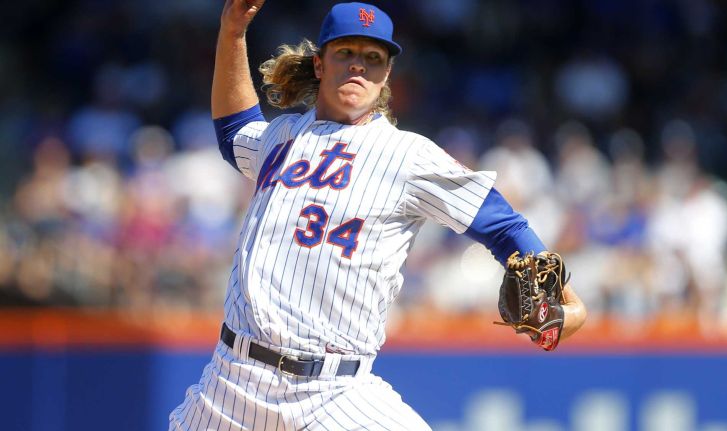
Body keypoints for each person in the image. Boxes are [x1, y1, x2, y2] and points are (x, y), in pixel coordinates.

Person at [169, 1, 587, 430]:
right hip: (232, 384)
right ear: (319, 64)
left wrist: (567, 299)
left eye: (373, 59)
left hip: (334, 394)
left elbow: (503, 225)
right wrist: (233, 32)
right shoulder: (281, 136)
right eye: (345, 53)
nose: (358, 68)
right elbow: (234, 132)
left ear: (386, 74)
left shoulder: (408, 155)